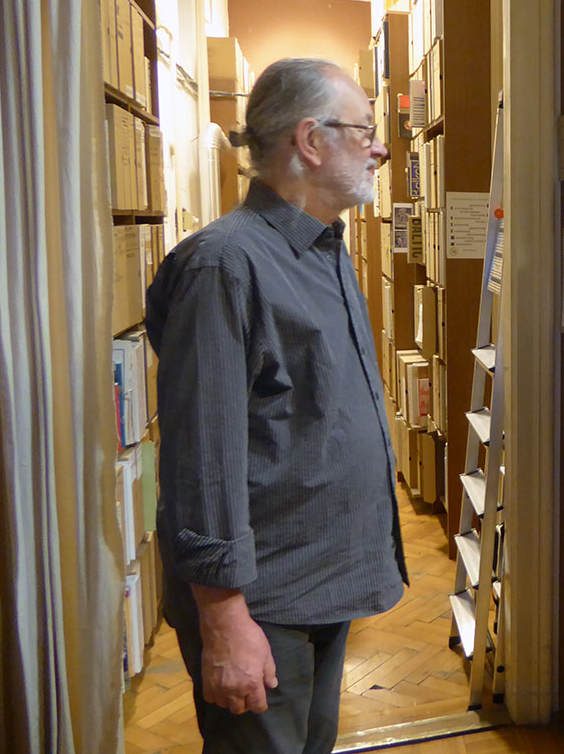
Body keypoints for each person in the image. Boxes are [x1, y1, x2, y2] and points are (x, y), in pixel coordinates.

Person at [145, 58, 408, 754]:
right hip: (263, 603)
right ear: (310, 142)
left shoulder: (323, 248)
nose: (380, 147)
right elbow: (201, 454)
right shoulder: (225, 265)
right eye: (365, 131)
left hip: (320, 584)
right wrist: (224, 617)